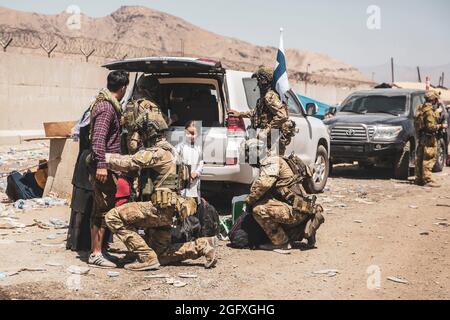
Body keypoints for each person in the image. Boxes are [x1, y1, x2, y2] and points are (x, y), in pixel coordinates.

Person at [103, 111, 218, 271]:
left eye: (141, 133)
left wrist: (103, 158)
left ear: (149, 132)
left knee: (112, 217)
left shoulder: (158, 152)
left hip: (158, 209)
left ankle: (145, 257)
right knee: (162, 254)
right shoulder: (173, 151)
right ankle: (202, 246)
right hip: (170, 210)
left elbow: (129, 162)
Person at [244, 138, 325, 250]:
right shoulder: (279, 159)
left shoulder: (271, 161)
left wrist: (248, 201)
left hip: (296, 211)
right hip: (303, 208)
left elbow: (263, 185)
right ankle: (304, 228)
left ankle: (281, 243)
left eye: (248, 153)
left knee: (258, 210)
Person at [88, 70, 130, 268]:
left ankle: (100, 250)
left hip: (108, 165)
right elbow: (98, 139)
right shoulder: (106, 108)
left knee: (103, 209)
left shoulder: (108, 105)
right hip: (103, 167)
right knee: (101, 210)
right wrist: (102, 166)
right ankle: (96, 253)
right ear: (122, 88)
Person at [227, 65, 295, 155]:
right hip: (270, 140)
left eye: (258, 81)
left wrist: (266, 131)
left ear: (264, 81)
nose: (257, 84)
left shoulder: (269, 96)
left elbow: (282, 115)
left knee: (271, 165)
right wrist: (240, 114)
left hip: (274, 139)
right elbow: (257, 113)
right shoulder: (265, 97)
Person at [123, 75, 169, 155]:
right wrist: (173, 118)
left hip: (131, 143)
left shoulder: (131, 104)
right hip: (145, 146)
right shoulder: (149, 105)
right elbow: (162, 123)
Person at [414, 90, 444, 187]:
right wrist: (441, 126)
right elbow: (430, 127)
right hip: (429, 138)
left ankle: (419, 179)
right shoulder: (429, 111)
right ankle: (427, 180)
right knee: (428, 158)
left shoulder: (421, 108)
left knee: (420, 157)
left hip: (422, 137)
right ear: (433, 100)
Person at [175, 121, 204, 208]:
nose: (191, 136)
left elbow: (201, 163)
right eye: (189, 133)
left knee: (194, 205)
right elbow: (176, 164)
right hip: (183, 183)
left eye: (193, 134)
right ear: (185, 132)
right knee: (183, 205)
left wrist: (196, 173)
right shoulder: (179, 148)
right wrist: (186, 175)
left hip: (195, 181)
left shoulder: (198, 148)